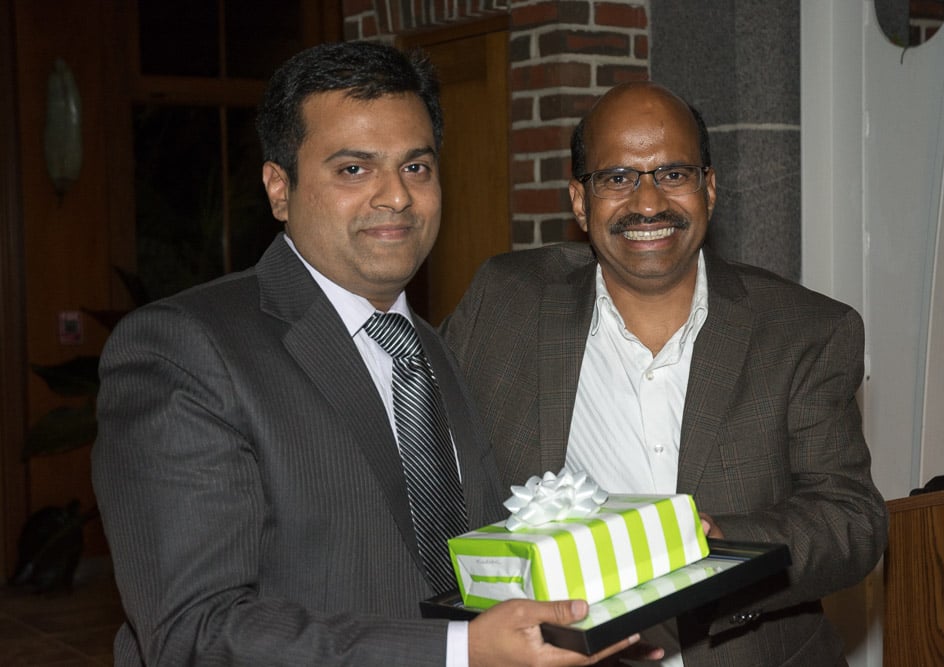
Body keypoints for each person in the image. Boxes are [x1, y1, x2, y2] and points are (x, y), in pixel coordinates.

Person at [91, 41, 652, 666]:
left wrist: (630, 577)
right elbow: (191, 634)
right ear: (279, 189)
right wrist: (459, 652)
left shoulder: (432, 348)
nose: (397, 196)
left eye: (416, 167)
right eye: (354, 169)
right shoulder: (185, 349)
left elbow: (478, 561)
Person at [442, 81, 888, 666]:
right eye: (617, 178)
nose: (648, 203)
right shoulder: (506, 303)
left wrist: (717, 546)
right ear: (580, 201)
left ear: (709, 189)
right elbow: (418, 445)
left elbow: (851, 520)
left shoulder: (804, 331)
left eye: (673, 174)